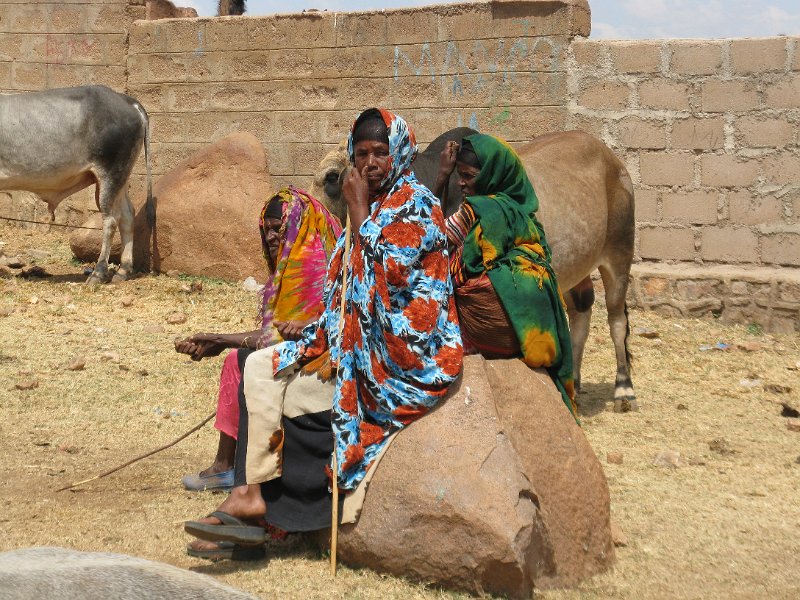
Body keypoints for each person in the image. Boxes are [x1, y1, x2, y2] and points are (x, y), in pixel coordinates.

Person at [182, 108, 463, 558]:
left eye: (380, 153)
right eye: (362, 153)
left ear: (400, 153)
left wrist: (357, 210)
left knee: (293, 399)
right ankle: (249, 497)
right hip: (356, 343)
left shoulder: (417, 206)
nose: (370, 163)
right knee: (258, 366)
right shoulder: (372, 207)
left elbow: (391, 286)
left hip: (404, 359)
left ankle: (265, 523)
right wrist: (316, 333)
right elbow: (345, 296)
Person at [175, 187, 342, 491]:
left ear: (294, 229)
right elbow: (275, 332)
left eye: (279, 230)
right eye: (267, 231)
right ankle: (230, 467)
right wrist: (217, 339)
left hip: (322, 357)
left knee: (240, 361)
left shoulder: (310, 266)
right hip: (299, 350)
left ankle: (228, 467)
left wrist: (221, 339)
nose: (271, 237)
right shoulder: (289, 266)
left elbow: (280, 337)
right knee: (237, 358)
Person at [434, 134, 576, 415]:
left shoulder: (477, 209)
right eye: (458, 175)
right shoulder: (525, 217)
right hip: (532, 330)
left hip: (487, 329)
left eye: (468, 176)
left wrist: (441, 177)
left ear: (493, 176)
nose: (461, 183)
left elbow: (429, 238)